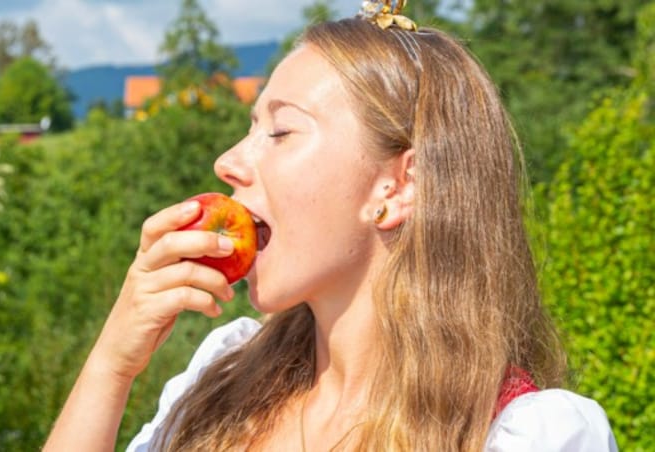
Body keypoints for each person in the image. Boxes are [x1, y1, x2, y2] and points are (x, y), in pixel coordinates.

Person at [43, 2, 618, 451]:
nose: (228, 162)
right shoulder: (220, 383)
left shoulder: (524, 436)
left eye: (281, 131)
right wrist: (112, 365)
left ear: (397, 186)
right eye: (250, 127)